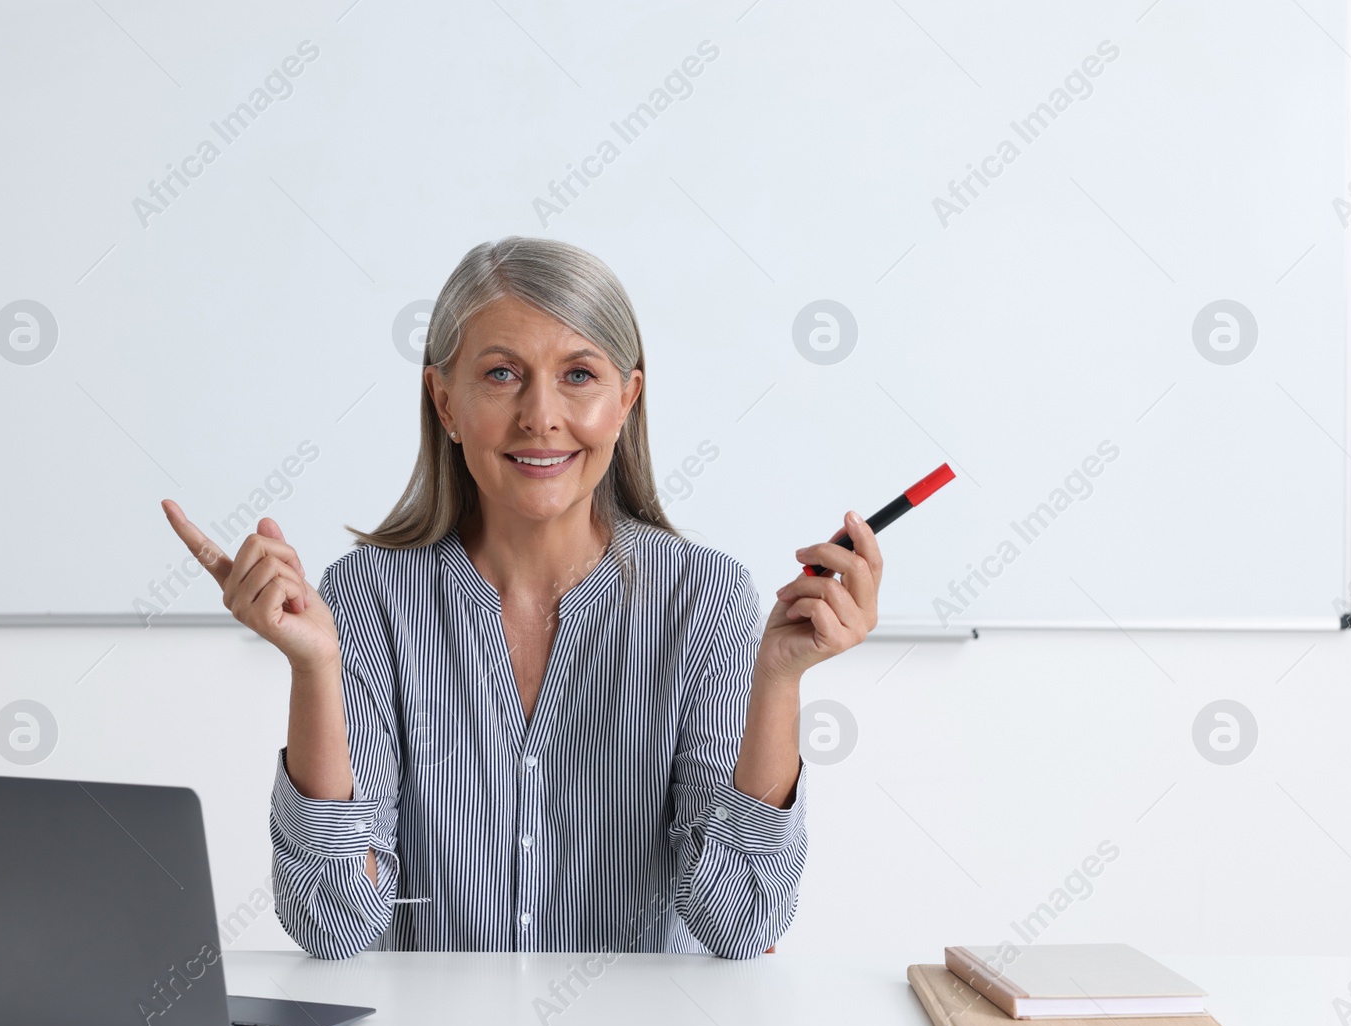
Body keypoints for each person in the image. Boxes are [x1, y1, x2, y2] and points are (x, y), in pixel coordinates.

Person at [162, 236, 882, 959]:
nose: (540, 415)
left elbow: (742, 923)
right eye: (502, 373)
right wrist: (315, 668)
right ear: (445, 400)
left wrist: (780, 678)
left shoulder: (706, 600)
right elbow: (335, 924)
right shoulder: (369, 595)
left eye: (578, 375)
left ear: (626, 399)